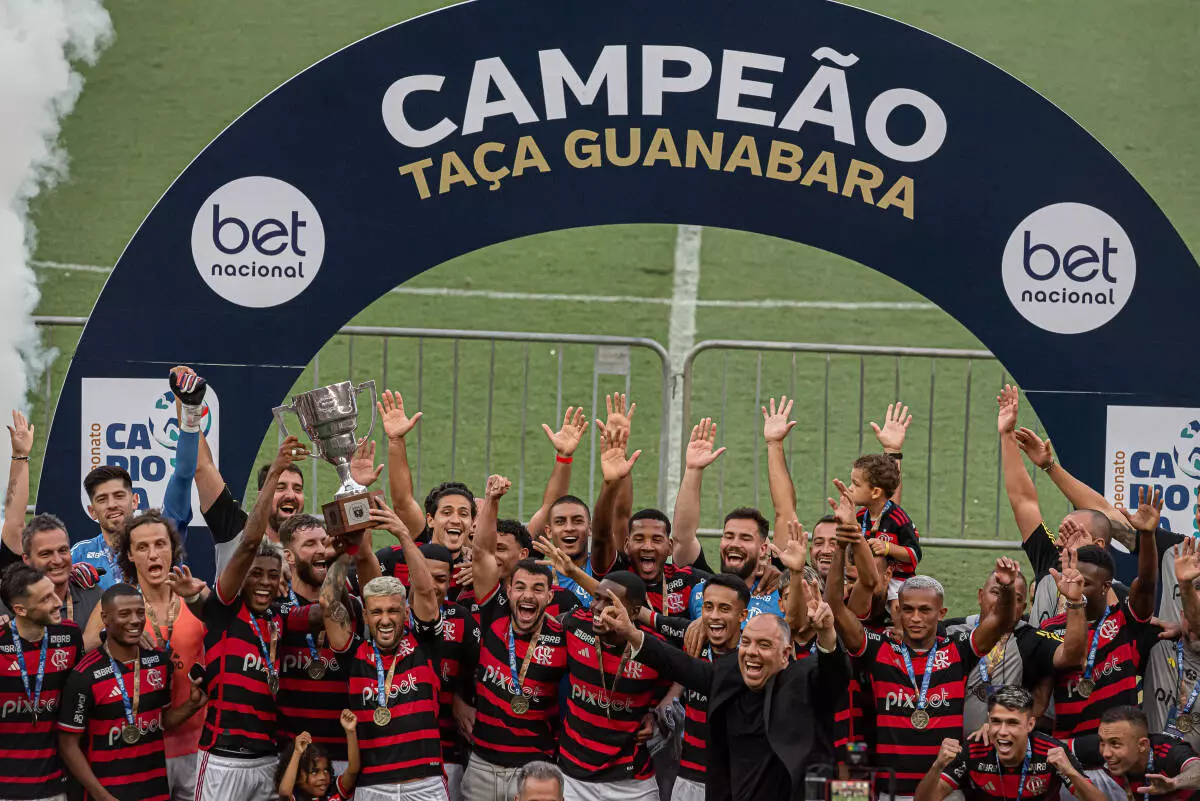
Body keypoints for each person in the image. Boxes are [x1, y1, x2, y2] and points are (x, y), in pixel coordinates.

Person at [599, 572, 849, 801]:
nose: (751, 652)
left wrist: (826, 632)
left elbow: (834, 676)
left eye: (763, 645)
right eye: (747, 642)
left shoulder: (802, 680)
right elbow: (680, 665)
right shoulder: (729, 674)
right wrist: (631, 633)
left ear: (785, 655)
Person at [180, 437, 308, 800]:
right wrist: (190, 411)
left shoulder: (314, 544)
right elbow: (204, 470)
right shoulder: (237, 537)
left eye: (297, 488)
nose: (289, 493)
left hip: (273, 748)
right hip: (224, 754)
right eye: (280, 484)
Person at [321, 500, 447, 801]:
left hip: (425, 783)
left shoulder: (424, 643)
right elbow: (327, 602)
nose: (386, 619)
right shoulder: (355, 655)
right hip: (373, 785)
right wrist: (347, 553)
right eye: (376, 612)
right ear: (365, 616)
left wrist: (404, 534)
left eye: (393, 610)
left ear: (406, 612)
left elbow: (426, 591)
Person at [56, 583, 207, 801]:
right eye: (124, 614)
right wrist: (102, 796)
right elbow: (68, 745)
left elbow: (161, 721)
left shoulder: (159, 662)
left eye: (140, 612)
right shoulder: (85, 674)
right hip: (108, 793)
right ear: (105, 618)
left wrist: (191, 705)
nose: (135, 620)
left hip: (155, 792)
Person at [998, 385, 1127, 628]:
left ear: (1099, 545)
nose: (1059, 542)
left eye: (1071, 534)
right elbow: (1023, 501)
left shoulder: (1118, 594)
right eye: (1061, 535)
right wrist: (1007, 435)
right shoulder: (1052, 561)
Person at [1040, 492, 1162, 740]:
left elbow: (1147, 584)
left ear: (1106, 587)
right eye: (1071, 580)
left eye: (1083, 583)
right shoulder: (1049, 629)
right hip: (1071, 750)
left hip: (1119, 751)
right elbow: (1039, 698)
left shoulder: (1123, 621)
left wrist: (1147, 536)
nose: (1075, 586)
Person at [946, 546, 1089, 734]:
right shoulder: (951, 631)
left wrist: (1075, 601)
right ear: (981, 596)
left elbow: (1073, 656)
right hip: (952, 749)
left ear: (1023, 607)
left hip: (1007, 748)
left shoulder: (1032, 639)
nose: (1004, 601)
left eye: (1015, 598)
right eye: (997, 592)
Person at [114, 510, 206, 800]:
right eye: (142, 547)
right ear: (129, 555)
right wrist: (113, 637)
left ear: (172, 548)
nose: (153, 554)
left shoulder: (196, 593)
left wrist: (196, 597)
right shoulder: (119, 606)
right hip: (144, 747)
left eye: (160, 544)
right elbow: (87, 651)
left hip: (198, 746)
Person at [557, 572, 672, 801]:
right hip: (573, 778)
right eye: (597, 598)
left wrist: (657, 712)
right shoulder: (575, 624)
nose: (597, 607)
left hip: (632, 784)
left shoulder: (653, 648)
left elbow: (682, 675)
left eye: (609, 602)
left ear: (635, 612)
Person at [462, 558, 569, 801]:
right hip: (482, 765)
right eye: (520, 587)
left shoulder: (563, 638)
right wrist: (459, 698)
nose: (528, 595)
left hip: (534, 770)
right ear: (508, 591)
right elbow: (482, 552)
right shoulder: (492, 617)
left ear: (550, 596)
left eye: (538, 589)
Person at [648, 573, 750, 801]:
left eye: (725, 609)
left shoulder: (753, 658)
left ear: (742, 615)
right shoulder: (693, 637)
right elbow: (633, 608)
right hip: (687, 780)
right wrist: (574, 574)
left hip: (734, 782)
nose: (714, 616)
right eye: (708, 607)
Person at [914, 686, 1103, 801]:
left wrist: (1070, 772)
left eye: (1012, 723)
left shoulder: (1053, 752)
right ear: (988, 720)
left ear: (1030, 724)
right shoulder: (974, 750)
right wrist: (937, 765)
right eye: (996, 721)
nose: (1002, 731)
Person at [0, 563, 84, 800]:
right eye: (46, 598)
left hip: (56, 785)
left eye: (54, 592)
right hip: (6, 788)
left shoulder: (70, 635)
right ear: (21, 610)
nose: (58, 602)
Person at [1069, 706, 1200, 798]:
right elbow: (1055, 746)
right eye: (1102, 742)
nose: (1106, 753)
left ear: (1142, 745)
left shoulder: (1167, 751)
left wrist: (1174, 783)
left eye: (1115, 743)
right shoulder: (1103, 747)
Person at [72, 465, 137, 589]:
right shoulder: (79, 554)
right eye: (102, 499)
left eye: (119, 496)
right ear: (92, 511)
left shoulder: (156, 547)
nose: (112, 505)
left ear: (134, 501)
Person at [276, 711, 361, 801]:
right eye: (314, 772)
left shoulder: (334, 790)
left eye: (326, 770)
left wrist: (350, 732)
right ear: (297, 777)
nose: (323, 777)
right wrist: (297, 752)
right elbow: (285, 792)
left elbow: (353, 771)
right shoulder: (296, 797)